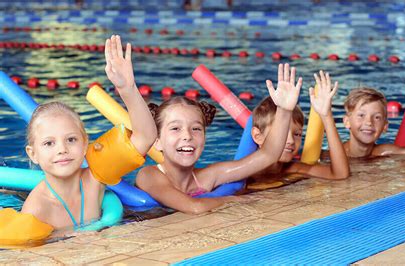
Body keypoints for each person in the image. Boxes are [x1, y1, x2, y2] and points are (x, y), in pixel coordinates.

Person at [20, 35, 157, 230]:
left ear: (85, 144)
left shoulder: (96, 175)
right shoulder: (36, 210)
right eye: (49, 143)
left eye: (71, 139)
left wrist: (127, 88)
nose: (62, 149)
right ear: (33, 154)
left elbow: (145, 138)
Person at [136, 63, 302, 214]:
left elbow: (268, 155)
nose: (187, 136)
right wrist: (237, 200)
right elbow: (195, 207)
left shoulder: (207, 177)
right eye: (175, 129)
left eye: (196, 129)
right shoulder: (149, 175)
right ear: (157, 141)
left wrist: (284, 111)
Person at [249, 70, 349, 182]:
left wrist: (326, 116)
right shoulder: (247, 172)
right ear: (258, 136)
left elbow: (340, 174)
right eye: (283, 132)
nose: (291, 140)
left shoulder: (292, 168)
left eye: (297, 134)